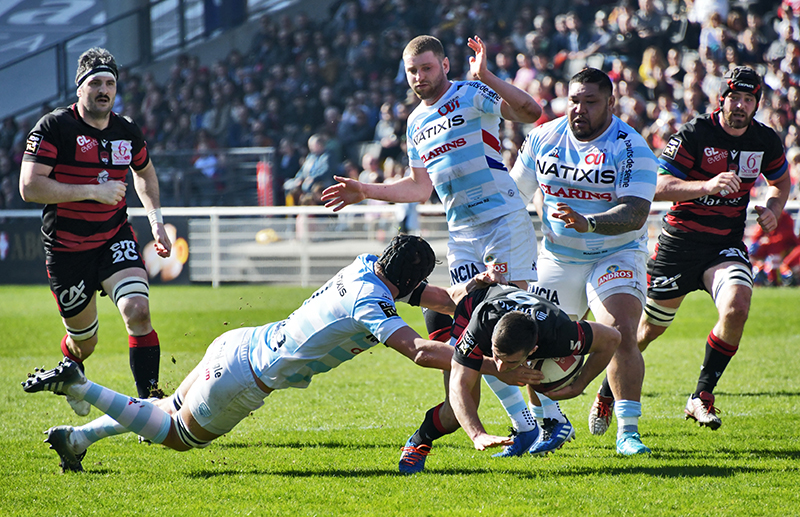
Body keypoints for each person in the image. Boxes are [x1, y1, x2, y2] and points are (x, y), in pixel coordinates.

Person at [21, 235, 538, 473]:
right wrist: (484, 362)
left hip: (241, 341)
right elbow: (422, 353)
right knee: (178, 437)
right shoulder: (371, 303)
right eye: (415, 283)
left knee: (167, 409)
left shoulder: (367, 265)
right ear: (402, 279)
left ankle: (78, 438)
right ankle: (79, 386)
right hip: (246, 375)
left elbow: (433, 297)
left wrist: (481, 285)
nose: (419, 290)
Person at [321, 34, 545, 458]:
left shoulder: (472, 92)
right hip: (462, 234)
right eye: (412, 71)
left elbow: (532, 112)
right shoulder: (415, 122)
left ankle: (547, 420)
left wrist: (488, 76)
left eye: (426, 67)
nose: (420, 77)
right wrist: (365, 190)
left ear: (444, 64)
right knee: (480, 329)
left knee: (514, 323)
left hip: (503, 221)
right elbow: (420, 188)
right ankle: (526, 426)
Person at [624, 66, 789, 430]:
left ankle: (701, 396)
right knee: (647, 332)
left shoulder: (765, 140)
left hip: (724, 244)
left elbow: (780, 181)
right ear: (722, 98)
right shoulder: (697, 132)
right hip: (679, 245)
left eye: (749, 99)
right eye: (735, 98)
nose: (741, 105)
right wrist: (706, 185)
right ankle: (609, 392)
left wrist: (774, 210)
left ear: (757, 103)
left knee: (736, 308)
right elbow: (658, 185)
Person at [510, 67, 658, 456]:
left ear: (611, 103)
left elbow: (636, 212)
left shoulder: (631, 147)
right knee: (529, 335)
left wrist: (590, 222)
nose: (580, 109)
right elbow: (513, 197)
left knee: (622, 329)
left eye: (590, 102)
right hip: (558, 257)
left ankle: (628, 432)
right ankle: (552, 423)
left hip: (616, 252)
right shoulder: (543, 138)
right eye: (574, 100)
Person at [18, 47, 172, 416]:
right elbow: (29, 187)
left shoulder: (126, 130)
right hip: (67, 250)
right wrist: (91, 190)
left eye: (110, 83)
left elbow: (145, 173)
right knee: (84, 342)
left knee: (138, 311)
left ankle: (149, 405)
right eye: (95, 83)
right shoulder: (55, 127)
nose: (103, 90)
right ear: (79, 88)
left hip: (113, 238)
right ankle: (72, 370)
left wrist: (156, 221)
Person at [399, 284, 621, 474]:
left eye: (510, 362)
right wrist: (477, 434)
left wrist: (579, 385)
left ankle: (542, 423)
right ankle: (418, 442)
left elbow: (612, 338)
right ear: (492, 342)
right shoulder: (480, 327)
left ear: (533, 351)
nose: (500, 367)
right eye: (496, 356)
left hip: (524, 315)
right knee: (455, 412)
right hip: (476, 307)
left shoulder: (561, 333)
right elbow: (460, 385)